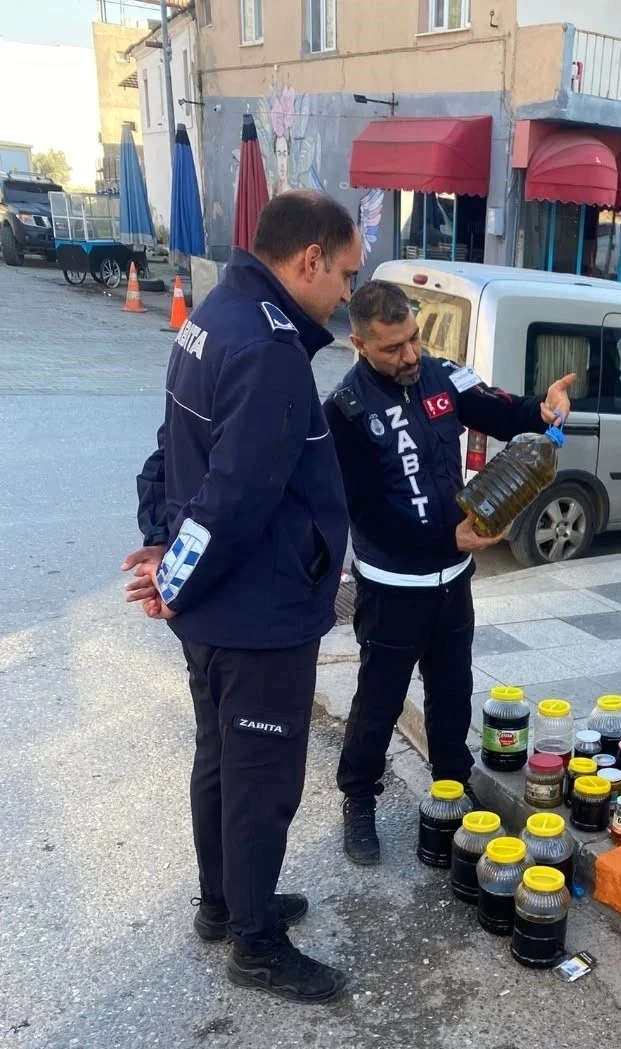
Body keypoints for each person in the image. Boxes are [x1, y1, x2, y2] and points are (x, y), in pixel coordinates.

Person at [121, 190, 362, 1004]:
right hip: (256, 615)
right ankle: (255, 944)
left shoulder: (213, 315)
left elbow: (170, 450)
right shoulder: (270, 352)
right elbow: (232, 498)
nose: (347, 294)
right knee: (260, 779)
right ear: (309, 260)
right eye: (346, 275)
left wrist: (165, 550)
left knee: (222, 760)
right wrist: (173, 576)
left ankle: (225, 904)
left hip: (217, 610)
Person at [326, 280, 574, 866]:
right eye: (393, 348)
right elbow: (363, 512)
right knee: (379, 702)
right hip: (392, 589)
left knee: (452, 692)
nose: (409, 355)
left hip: (453, 581)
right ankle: (358, 800)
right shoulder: (344, 409)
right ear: (359, 344)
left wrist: (541, 407)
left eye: (413, 339)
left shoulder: (440, 374)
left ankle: (452, 789)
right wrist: (444, 536)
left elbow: (498, 409)